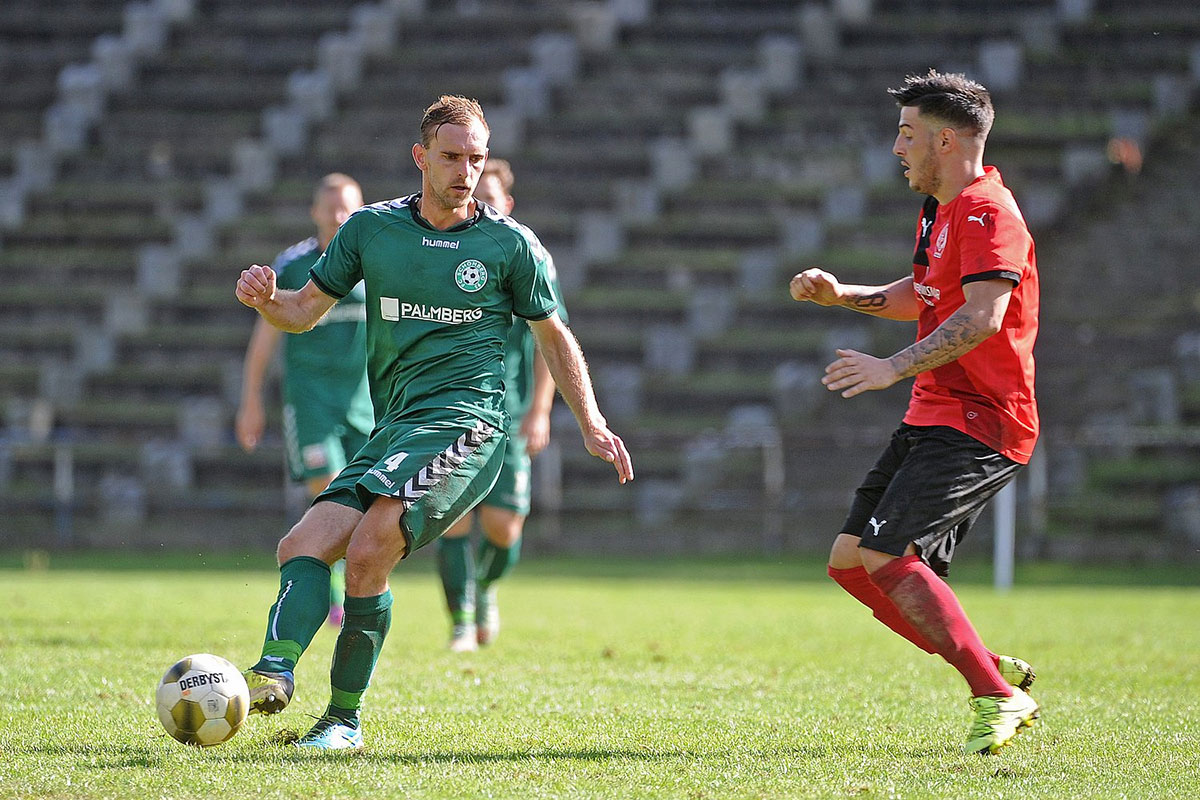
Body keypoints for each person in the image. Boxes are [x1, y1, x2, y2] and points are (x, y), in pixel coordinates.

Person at [234, 95, 633, 751]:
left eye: (476, 158)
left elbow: (554, 335)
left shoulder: (509, 244)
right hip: (396, 429)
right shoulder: (372, 230)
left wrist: (589, 420)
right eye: (452, 157)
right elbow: (301, 311)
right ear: (420, 157)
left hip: (469, 426)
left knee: (369, 551)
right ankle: (272, 674)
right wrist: (267, 299)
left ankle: (342, 721)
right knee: (300, 545)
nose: (465, 171)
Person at [789, 70, 1041, 756]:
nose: (897, 147)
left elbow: (983, 317)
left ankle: (995, 693)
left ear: (946, 140)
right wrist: (843, 295)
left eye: (907, 134)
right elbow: (926, 293)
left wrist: (891, 367)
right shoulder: (939, 208)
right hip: (936, 412)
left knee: (884, 553)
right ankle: (986, 667)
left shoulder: (989, 213)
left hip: (984, 419)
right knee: (849, 561)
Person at [436, 158, 564, 652]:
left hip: (506, 412)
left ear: (507, 204)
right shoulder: (443, 248)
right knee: (452, 519)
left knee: (505, 527)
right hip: (449, 409)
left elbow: (551, 340)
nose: (482, 206)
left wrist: (539, 410)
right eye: (476, 198)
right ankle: (461, 621)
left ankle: (484, 587)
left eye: (490, 198)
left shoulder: (529, 255)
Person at [235, 173, 371, 627]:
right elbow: (264, 339)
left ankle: (354, 588)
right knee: (329, 489)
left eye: (346, 207)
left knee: (363, 506)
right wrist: (251, 400)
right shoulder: (293, 266)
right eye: (330, 207)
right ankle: (335, 597)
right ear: (314, 212)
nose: (338, 216)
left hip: (367, 406)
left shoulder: (375, 263)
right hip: (311, 404)